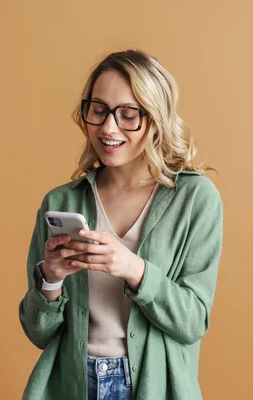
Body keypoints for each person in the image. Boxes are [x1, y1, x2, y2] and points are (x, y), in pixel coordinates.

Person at [19, 49, 223, 400]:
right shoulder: (61, 203)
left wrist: (133, 268)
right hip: (72, 386)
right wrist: (50, 278)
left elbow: (192, 323)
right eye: (98, 110)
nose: (108, 128)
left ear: (155, 118)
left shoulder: (194, 198)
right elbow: (39, 333)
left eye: (128, 115)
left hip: (153, 388)